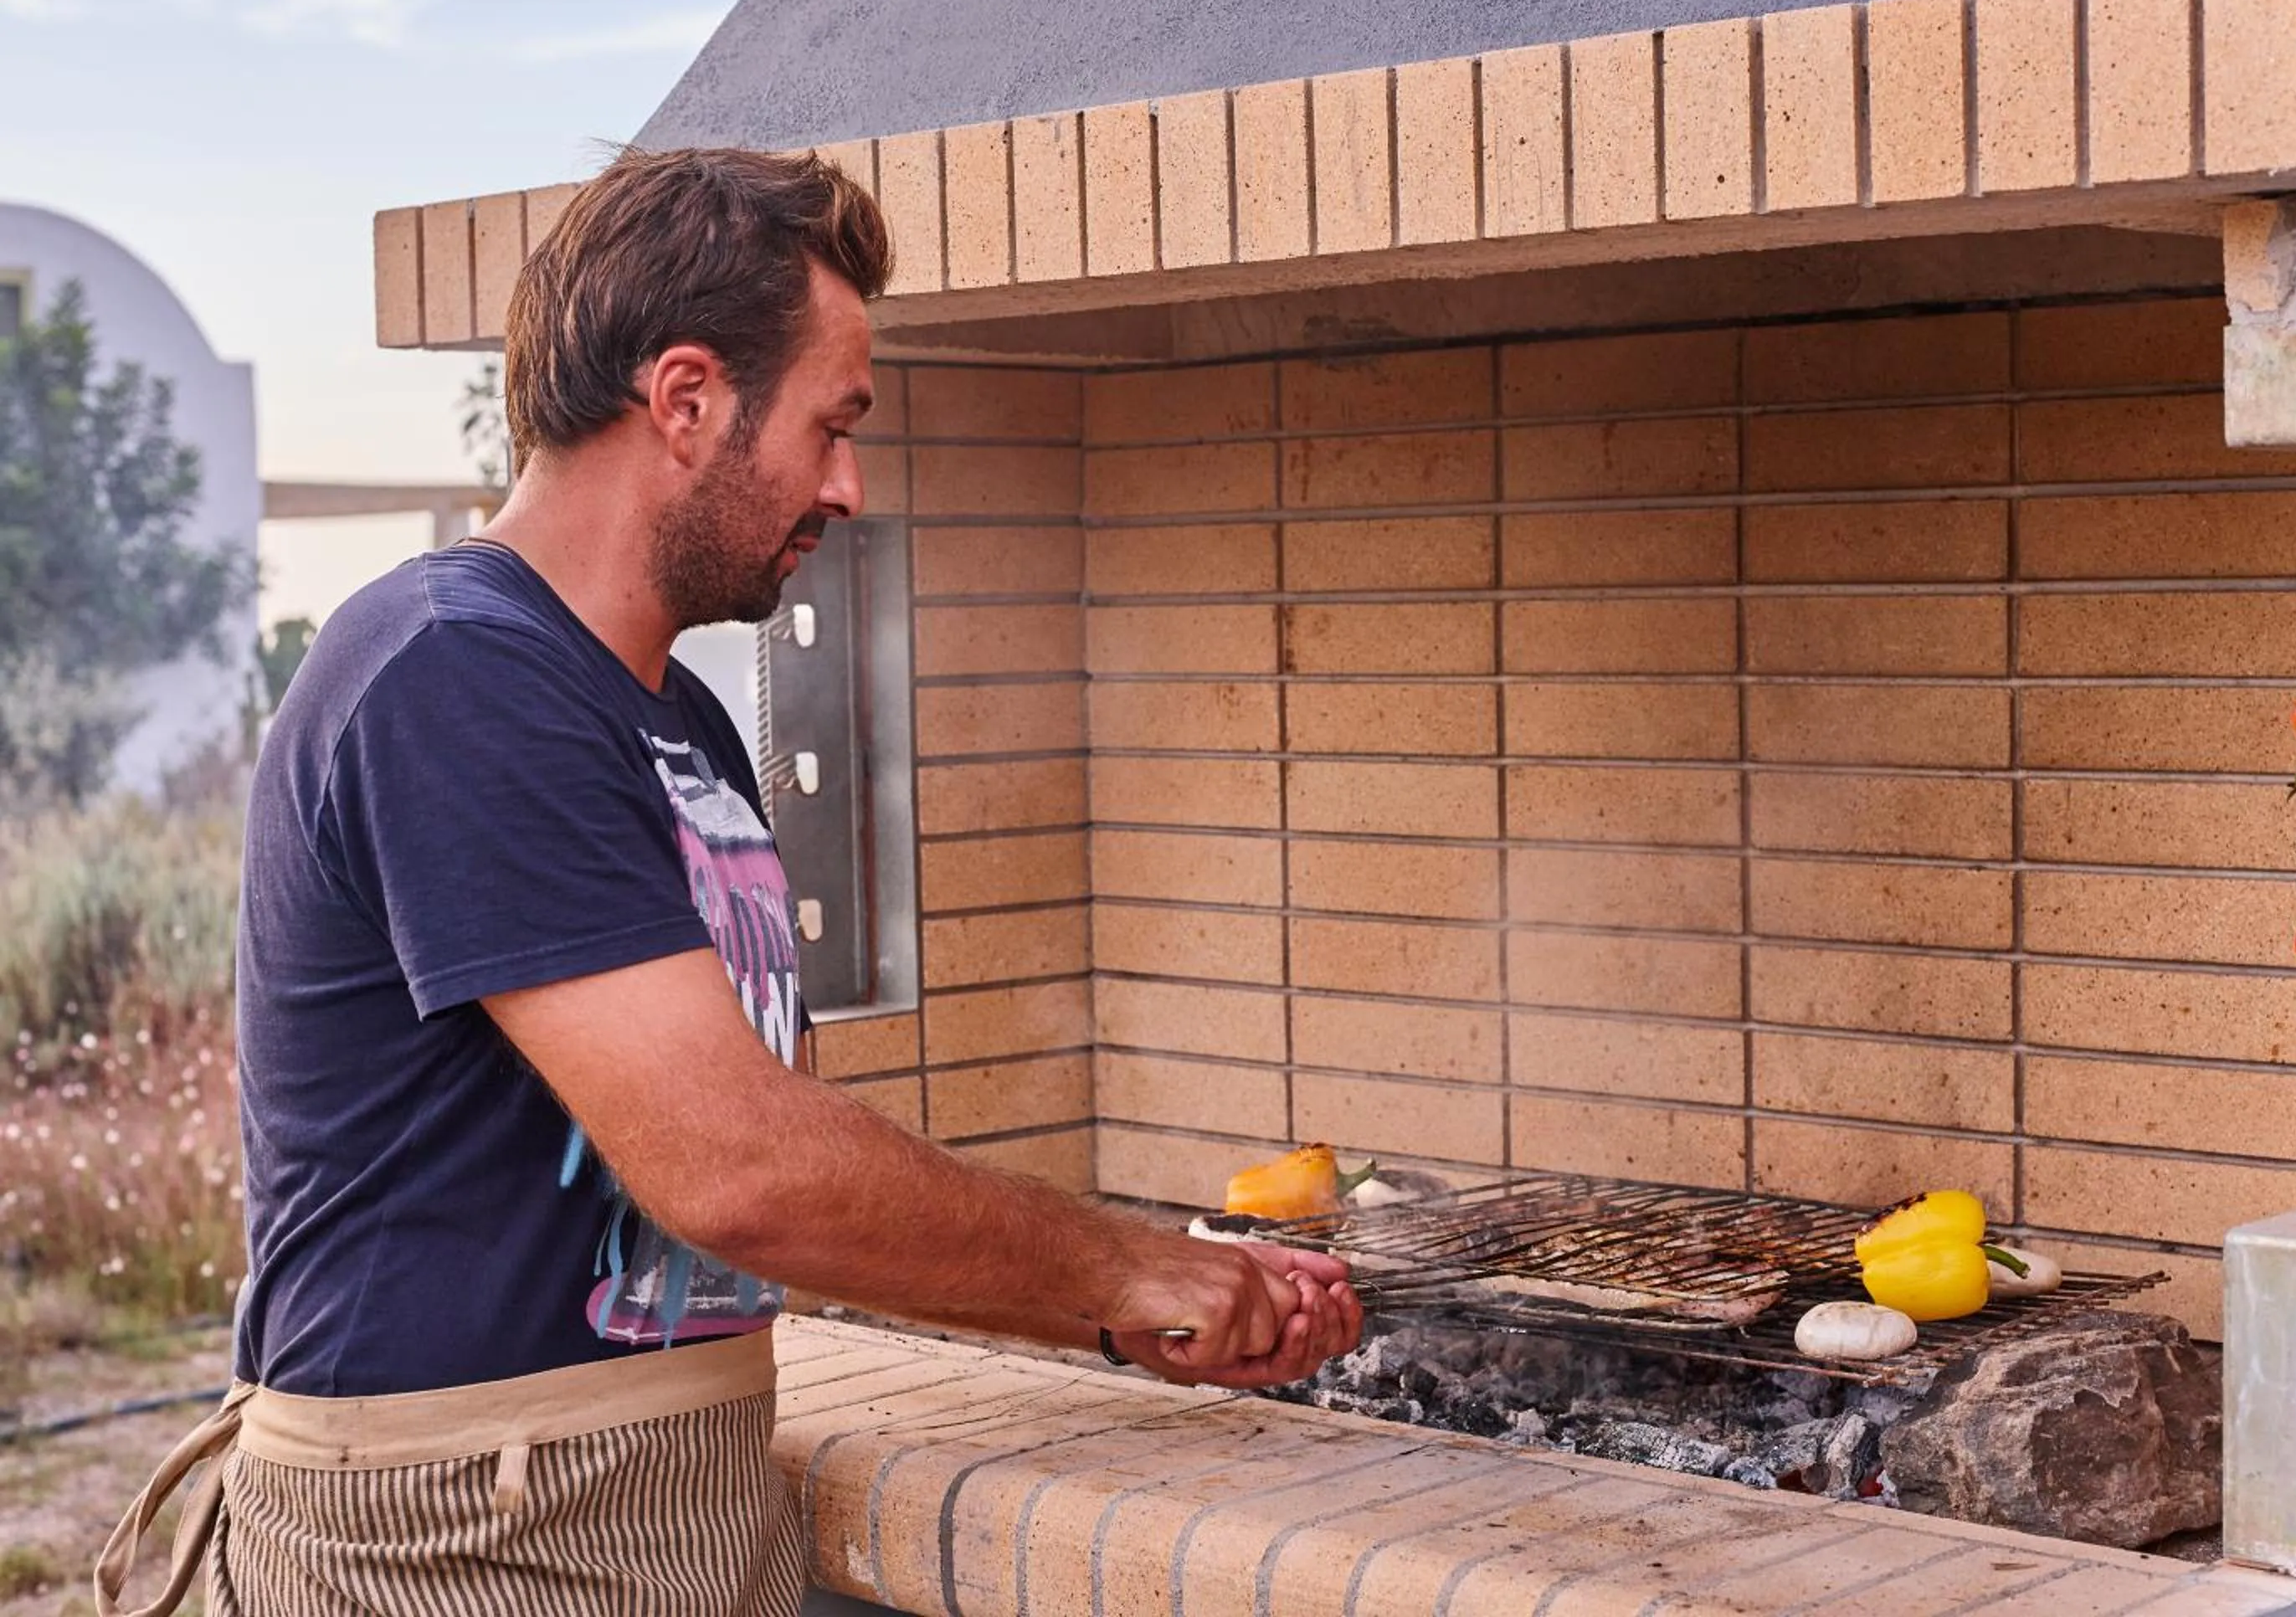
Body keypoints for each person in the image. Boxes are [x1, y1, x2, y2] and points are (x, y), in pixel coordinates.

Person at [96, 146, 1363, 1617]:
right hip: (454, 1535)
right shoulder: (452, 673)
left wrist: (1098, 1311)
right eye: (830, 426)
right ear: (687, 400)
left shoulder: (676, 719)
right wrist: (1123, 1267)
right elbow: (737, 1165)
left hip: (668, 1500)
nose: (849, 482)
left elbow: (749, 1200)